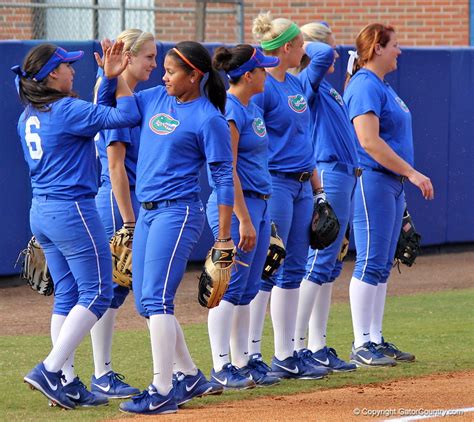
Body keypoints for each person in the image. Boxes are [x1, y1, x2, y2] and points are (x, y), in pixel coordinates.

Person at [97, 41, 234, 415]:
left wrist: (224, 235)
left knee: (156, 299)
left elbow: (223, 177)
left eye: (172, 71)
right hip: (148, 212)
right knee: (144, 301)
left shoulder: (209, 118)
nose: (164, 75)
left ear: (195, 76)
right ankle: (189, 376)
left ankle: (162, 389)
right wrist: (110, 79)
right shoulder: (155, 97)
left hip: (179, 212)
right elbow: (117, 113)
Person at [15, 41, 141, 409]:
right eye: (67, 66)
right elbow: (123, 118)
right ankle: (51, 369)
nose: (73, 71)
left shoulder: (30, 114)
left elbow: (94, 116)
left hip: (42, 210)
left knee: (68, 296)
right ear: (53, 73)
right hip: (73, 209)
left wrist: (107, 78)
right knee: (99, 291)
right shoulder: (67, 108)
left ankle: (66, 383)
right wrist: (119, 84)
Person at [343, 23, 434, 366]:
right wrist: (410, 172)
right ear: (377, 48)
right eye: (395, 45)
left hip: (389, 184)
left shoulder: (380, 86)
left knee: (382, 265)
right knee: (369, 261)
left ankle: (375, 338)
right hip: (372, 179)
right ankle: (361, 342)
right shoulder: (366, 85)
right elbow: (368, 141)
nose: (400, 51)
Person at [250, 12, 330, 379]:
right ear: (285, 49)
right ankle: (253, 354)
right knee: (269, 266)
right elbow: (252, 143)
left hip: (301, 183)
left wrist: (318, 189)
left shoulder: (296, 84)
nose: (305, 49)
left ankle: (286, 353)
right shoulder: (262, 86)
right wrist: (274, 42)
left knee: (294, 268)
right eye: (299, 44)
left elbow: (304, 142)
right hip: (276, 183)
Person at [207, 44, 280, 388]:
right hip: (239, 206)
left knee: (247, 290)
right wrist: (245, 219)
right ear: (248, 75)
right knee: (227, 287)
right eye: (263, 69)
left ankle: (242, 361)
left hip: (259, 203)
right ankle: (221, 365)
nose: (267, 73)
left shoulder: (251, 107)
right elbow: (228, 169)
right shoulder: (232, 110)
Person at [91, 28, 157, 400]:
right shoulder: (117, 96)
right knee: (112, 290)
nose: (153, 63)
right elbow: (115, 166)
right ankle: (102, 374)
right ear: (127, 57)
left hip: (131, 200)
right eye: (148, 56)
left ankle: (176, 368)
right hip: (120, 202)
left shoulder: (133, 95)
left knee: (128, 290)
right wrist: (128, 221)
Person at [292, 22, 358, 372]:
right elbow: (319, 55)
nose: (336, 52)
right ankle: (296, 348)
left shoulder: (325, 87)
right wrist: (308, 43)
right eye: (331, 46)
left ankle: (316, 345)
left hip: (344, 173)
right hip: (329, 171)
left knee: (329, 266)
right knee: (317, 264)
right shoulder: (307, 83)